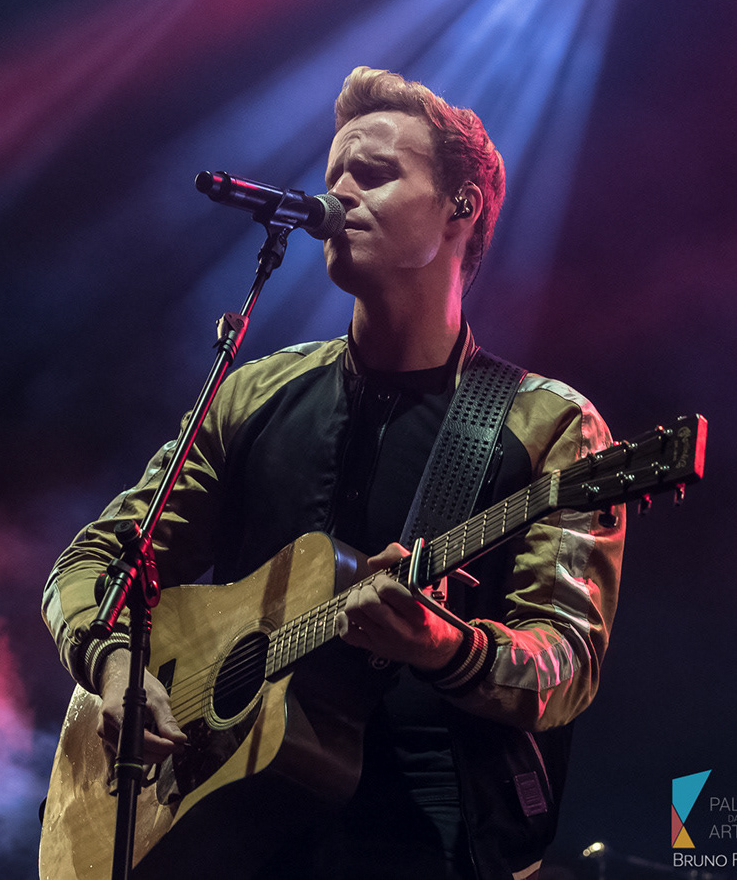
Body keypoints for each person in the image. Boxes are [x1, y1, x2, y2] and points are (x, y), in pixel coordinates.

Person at [42, 66, 624, 879]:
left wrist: (445, 646)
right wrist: (114, 664)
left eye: (374, 174)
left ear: (460, 208)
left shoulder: (548, 425)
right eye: (333, 174)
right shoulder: (253, 393)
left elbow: (567, 663)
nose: (338, 193)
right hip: (227, 832)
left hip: (429, 836)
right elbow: (95, 561)